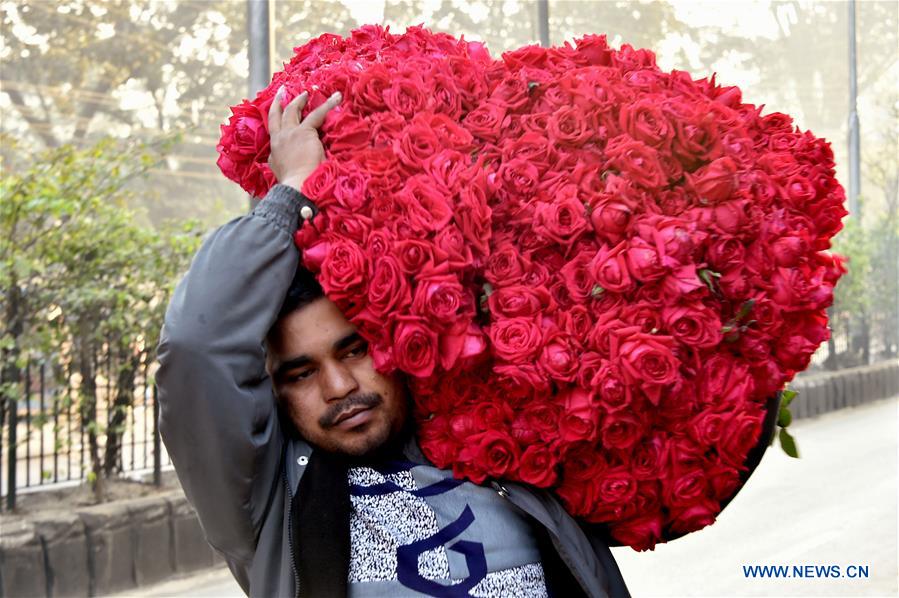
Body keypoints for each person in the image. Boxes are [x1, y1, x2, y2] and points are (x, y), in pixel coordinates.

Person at [156, 85, 631, 598]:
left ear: (396, 338)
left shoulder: (510, 454)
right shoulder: (267, 504)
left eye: (354, 349)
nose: (339, 387)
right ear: (273, 391)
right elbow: (196, 347)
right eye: (300, 373)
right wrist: (295, 187)